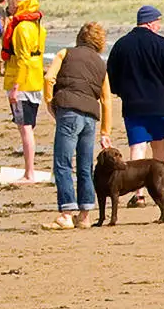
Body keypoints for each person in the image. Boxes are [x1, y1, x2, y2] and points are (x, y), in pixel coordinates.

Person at [107, 5, 164, 206]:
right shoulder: (160, 45)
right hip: (158, 103)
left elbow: (111, 74)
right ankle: (162, 189)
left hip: (132, 104)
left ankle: (138, 194)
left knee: (137, 147)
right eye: (158, 22)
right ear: (150, 22)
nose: (159, 25)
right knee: (159, 146)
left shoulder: (121, 45)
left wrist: (120, 91)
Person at [41, 22, 114, 230]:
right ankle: (84, 215)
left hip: (68, 110)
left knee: (63, 163)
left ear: (79, 37)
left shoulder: (65, 53)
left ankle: (66, 213)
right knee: (85, 165)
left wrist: (50, 102)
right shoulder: (101, 64)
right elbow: (106, 99)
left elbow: (49, 78)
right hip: (90, 116)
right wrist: (105, 131)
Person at [0, 0, 47, 183]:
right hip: (36, 81)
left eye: (10, 5)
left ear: (15, 5)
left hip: (22, 84)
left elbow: (22, 59)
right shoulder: (38, 26)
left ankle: (29, 173)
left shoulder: (20, 28)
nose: (8, 9)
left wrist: (15, 87)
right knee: (29, 127)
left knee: (25, 128)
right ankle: (30, 170)